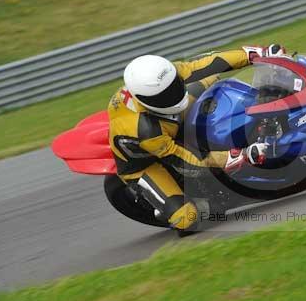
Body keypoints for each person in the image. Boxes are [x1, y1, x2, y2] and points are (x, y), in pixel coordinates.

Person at [107, 44, 286, 231]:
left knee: (212, 77)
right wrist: (239, 156)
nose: (174, 95)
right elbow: (190, 163)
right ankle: (186, 206)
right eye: (164, 96)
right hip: (147, 162)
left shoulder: (166, 77)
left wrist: (256, 54)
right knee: (188, 220)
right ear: (144, 100)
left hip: (170, 122)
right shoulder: (146, 131)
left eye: (174, 85)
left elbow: (210, 63)